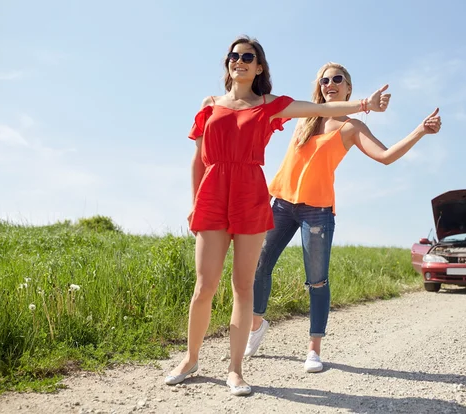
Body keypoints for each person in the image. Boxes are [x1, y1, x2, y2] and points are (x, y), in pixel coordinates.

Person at [164, 39, 392, 396]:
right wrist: (195, 202)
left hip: (250, 196)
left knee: (243, 287)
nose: (239, 61)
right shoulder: (209, 105)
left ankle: (235, 371)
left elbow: (312, 106)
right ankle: (190, 359)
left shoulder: (269, 106)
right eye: (234, 56)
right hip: (211, 195)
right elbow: (197, 159)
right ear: (228, 64)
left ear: (259, 68)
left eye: (247, 57)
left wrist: (365, 105)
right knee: (204, 286)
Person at [244, 62, 442, 373]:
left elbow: (386, 157)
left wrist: (420, 130)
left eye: (338, 79)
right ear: (319, 87)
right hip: (281, 203)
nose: (330, 83)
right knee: (260, 264)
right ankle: (256, 326)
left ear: (348, 88)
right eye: (325, 80)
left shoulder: (352, 128)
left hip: (317, 211)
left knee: (317, 280)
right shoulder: (305, 117)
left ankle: (313, 348)